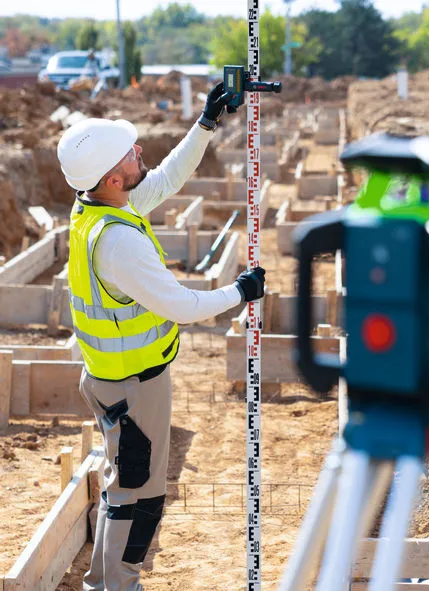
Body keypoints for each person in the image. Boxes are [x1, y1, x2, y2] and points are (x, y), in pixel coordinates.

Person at [56, 83, 265, 591]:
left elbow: (167, 177)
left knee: (121, 487)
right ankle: (120, 585)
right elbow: (181, 306)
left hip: (111, 379)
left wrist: (206, 123)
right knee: (141, 497)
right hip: (134, 387)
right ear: (111, 175)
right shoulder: (120, 242)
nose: (140, 151)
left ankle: (104, 584)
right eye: (130, 152)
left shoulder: (99, 209)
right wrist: (238, 292)